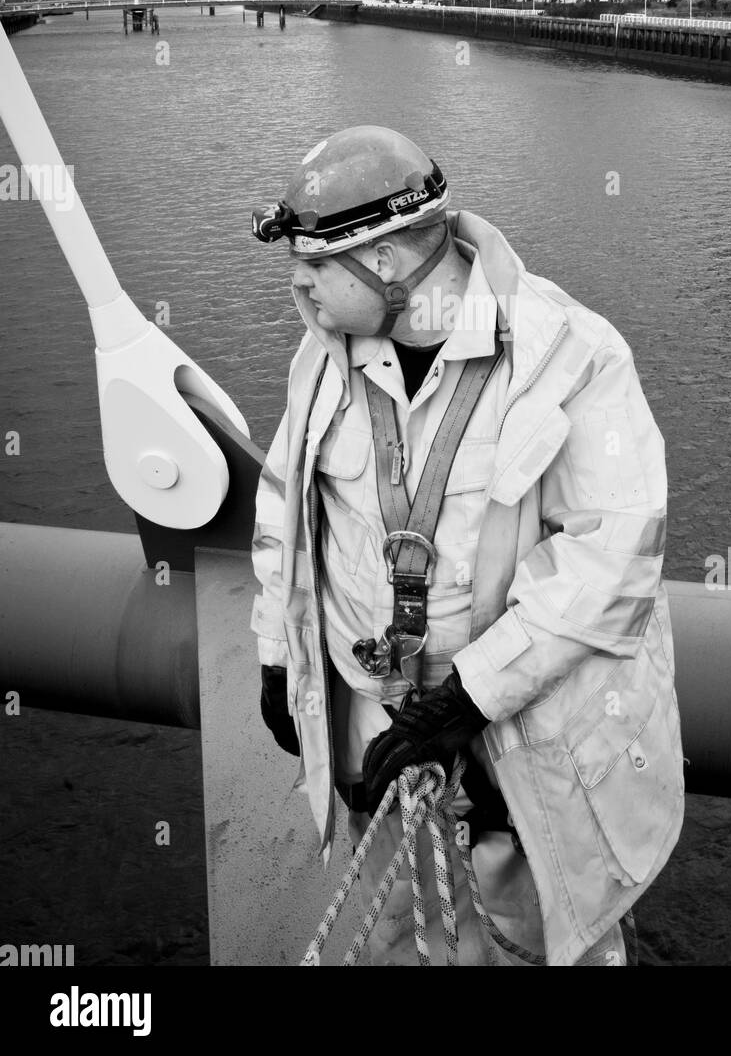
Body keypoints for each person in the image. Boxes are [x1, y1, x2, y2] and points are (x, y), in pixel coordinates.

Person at [249, 123, 684, 967]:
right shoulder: (324, 352)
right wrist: (278, 652)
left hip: (520, 761)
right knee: (401, 937)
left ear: (383, 260)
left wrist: (468, 701)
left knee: (541, 939)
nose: (298, 287)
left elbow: (613, 564)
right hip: (384, 754)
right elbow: (285, 502)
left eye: (311, 267)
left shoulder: (572, 354)